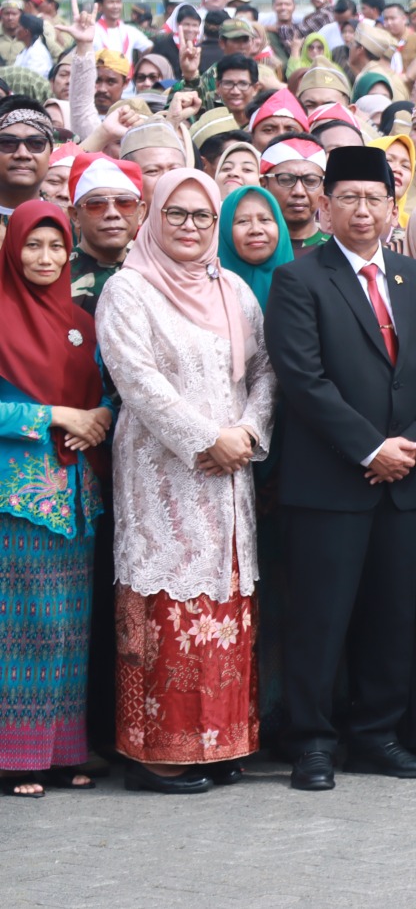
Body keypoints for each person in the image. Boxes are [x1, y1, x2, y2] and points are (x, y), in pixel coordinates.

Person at [264, 145, 416, 792]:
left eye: (374, 198)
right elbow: (304, 381)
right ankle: (312, 741)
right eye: (348, 197)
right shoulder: (300, 279)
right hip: (331, 484)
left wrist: (415, 446)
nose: (362, 210)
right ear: (325, 205)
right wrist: (372, 448)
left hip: (402, 484)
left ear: (392, 206)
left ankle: (377, 735)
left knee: (391, 614)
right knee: (320, 617)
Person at [95, 170, 275, 794]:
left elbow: (264, 370)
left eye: (203, 216)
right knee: (165, 604)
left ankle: (219, 744)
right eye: (178, 214)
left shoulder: (233, 292)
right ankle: (155, 755)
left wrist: (248, 431)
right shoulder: (129, 290)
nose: (192, 227)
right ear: (154, 216)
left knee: (222, 605)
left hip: (230, 480)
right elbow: (137, 380)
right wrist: (208, 438)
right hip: (163, 474)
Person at [0, 202, 111, 799]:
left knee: (69, 627)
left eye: (55, 248)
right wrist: (52, 414)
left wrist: (99, 414)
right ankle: (14, 757)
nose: (44, 258)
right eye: (32, 246)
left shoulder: (82, 321)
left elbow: (111, 393)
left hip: (75, 498)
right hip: (14, 500)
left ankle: (62, 750)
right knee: (18, 626)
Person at [66, 152, 145, 316]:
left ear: (141, 213)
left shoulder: (156, 269)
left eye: (124, 203)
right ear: (75, 215)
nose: (112, 213)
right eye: (96, 204)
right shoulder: (56, 274)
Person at [217, 184, 294, 312]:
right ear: (225, 230)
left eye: (265, 219)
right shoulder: (206, 292)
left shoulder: (304, 287)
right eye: (243, 221)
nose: (256, 230)